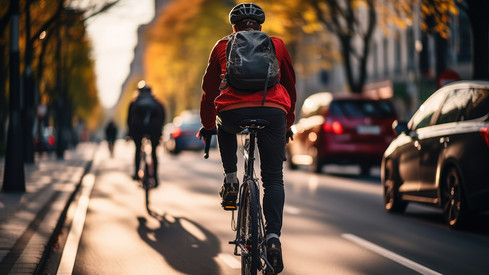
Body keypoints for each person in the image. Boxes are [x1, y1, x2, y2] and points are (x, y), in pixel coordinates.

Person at [198, 3, 296, 274]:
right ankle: (273, 237)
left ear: (234, 27)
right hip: (273, 110)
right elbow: (289, 84)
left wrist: (208, 125)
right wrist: (287, 121)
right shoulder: (276, 45)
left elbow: (208, 91)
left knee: (222, 123)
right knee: (273, 177)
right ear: (260, 27)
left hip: (232, 111)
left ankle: (231, 179)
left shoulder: (221, 46)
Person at [127, 81, 166, 186]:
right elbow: (162, 117)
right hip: (154, 129)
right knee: (154, 153)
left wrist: (129, 134)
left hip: (138, 129)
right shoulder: (157, 103)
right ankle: (156, 178)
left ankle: (136, 174)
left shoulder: (134, 103)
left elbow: (129, 120)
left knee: (138, 149)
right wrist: (160, 132)